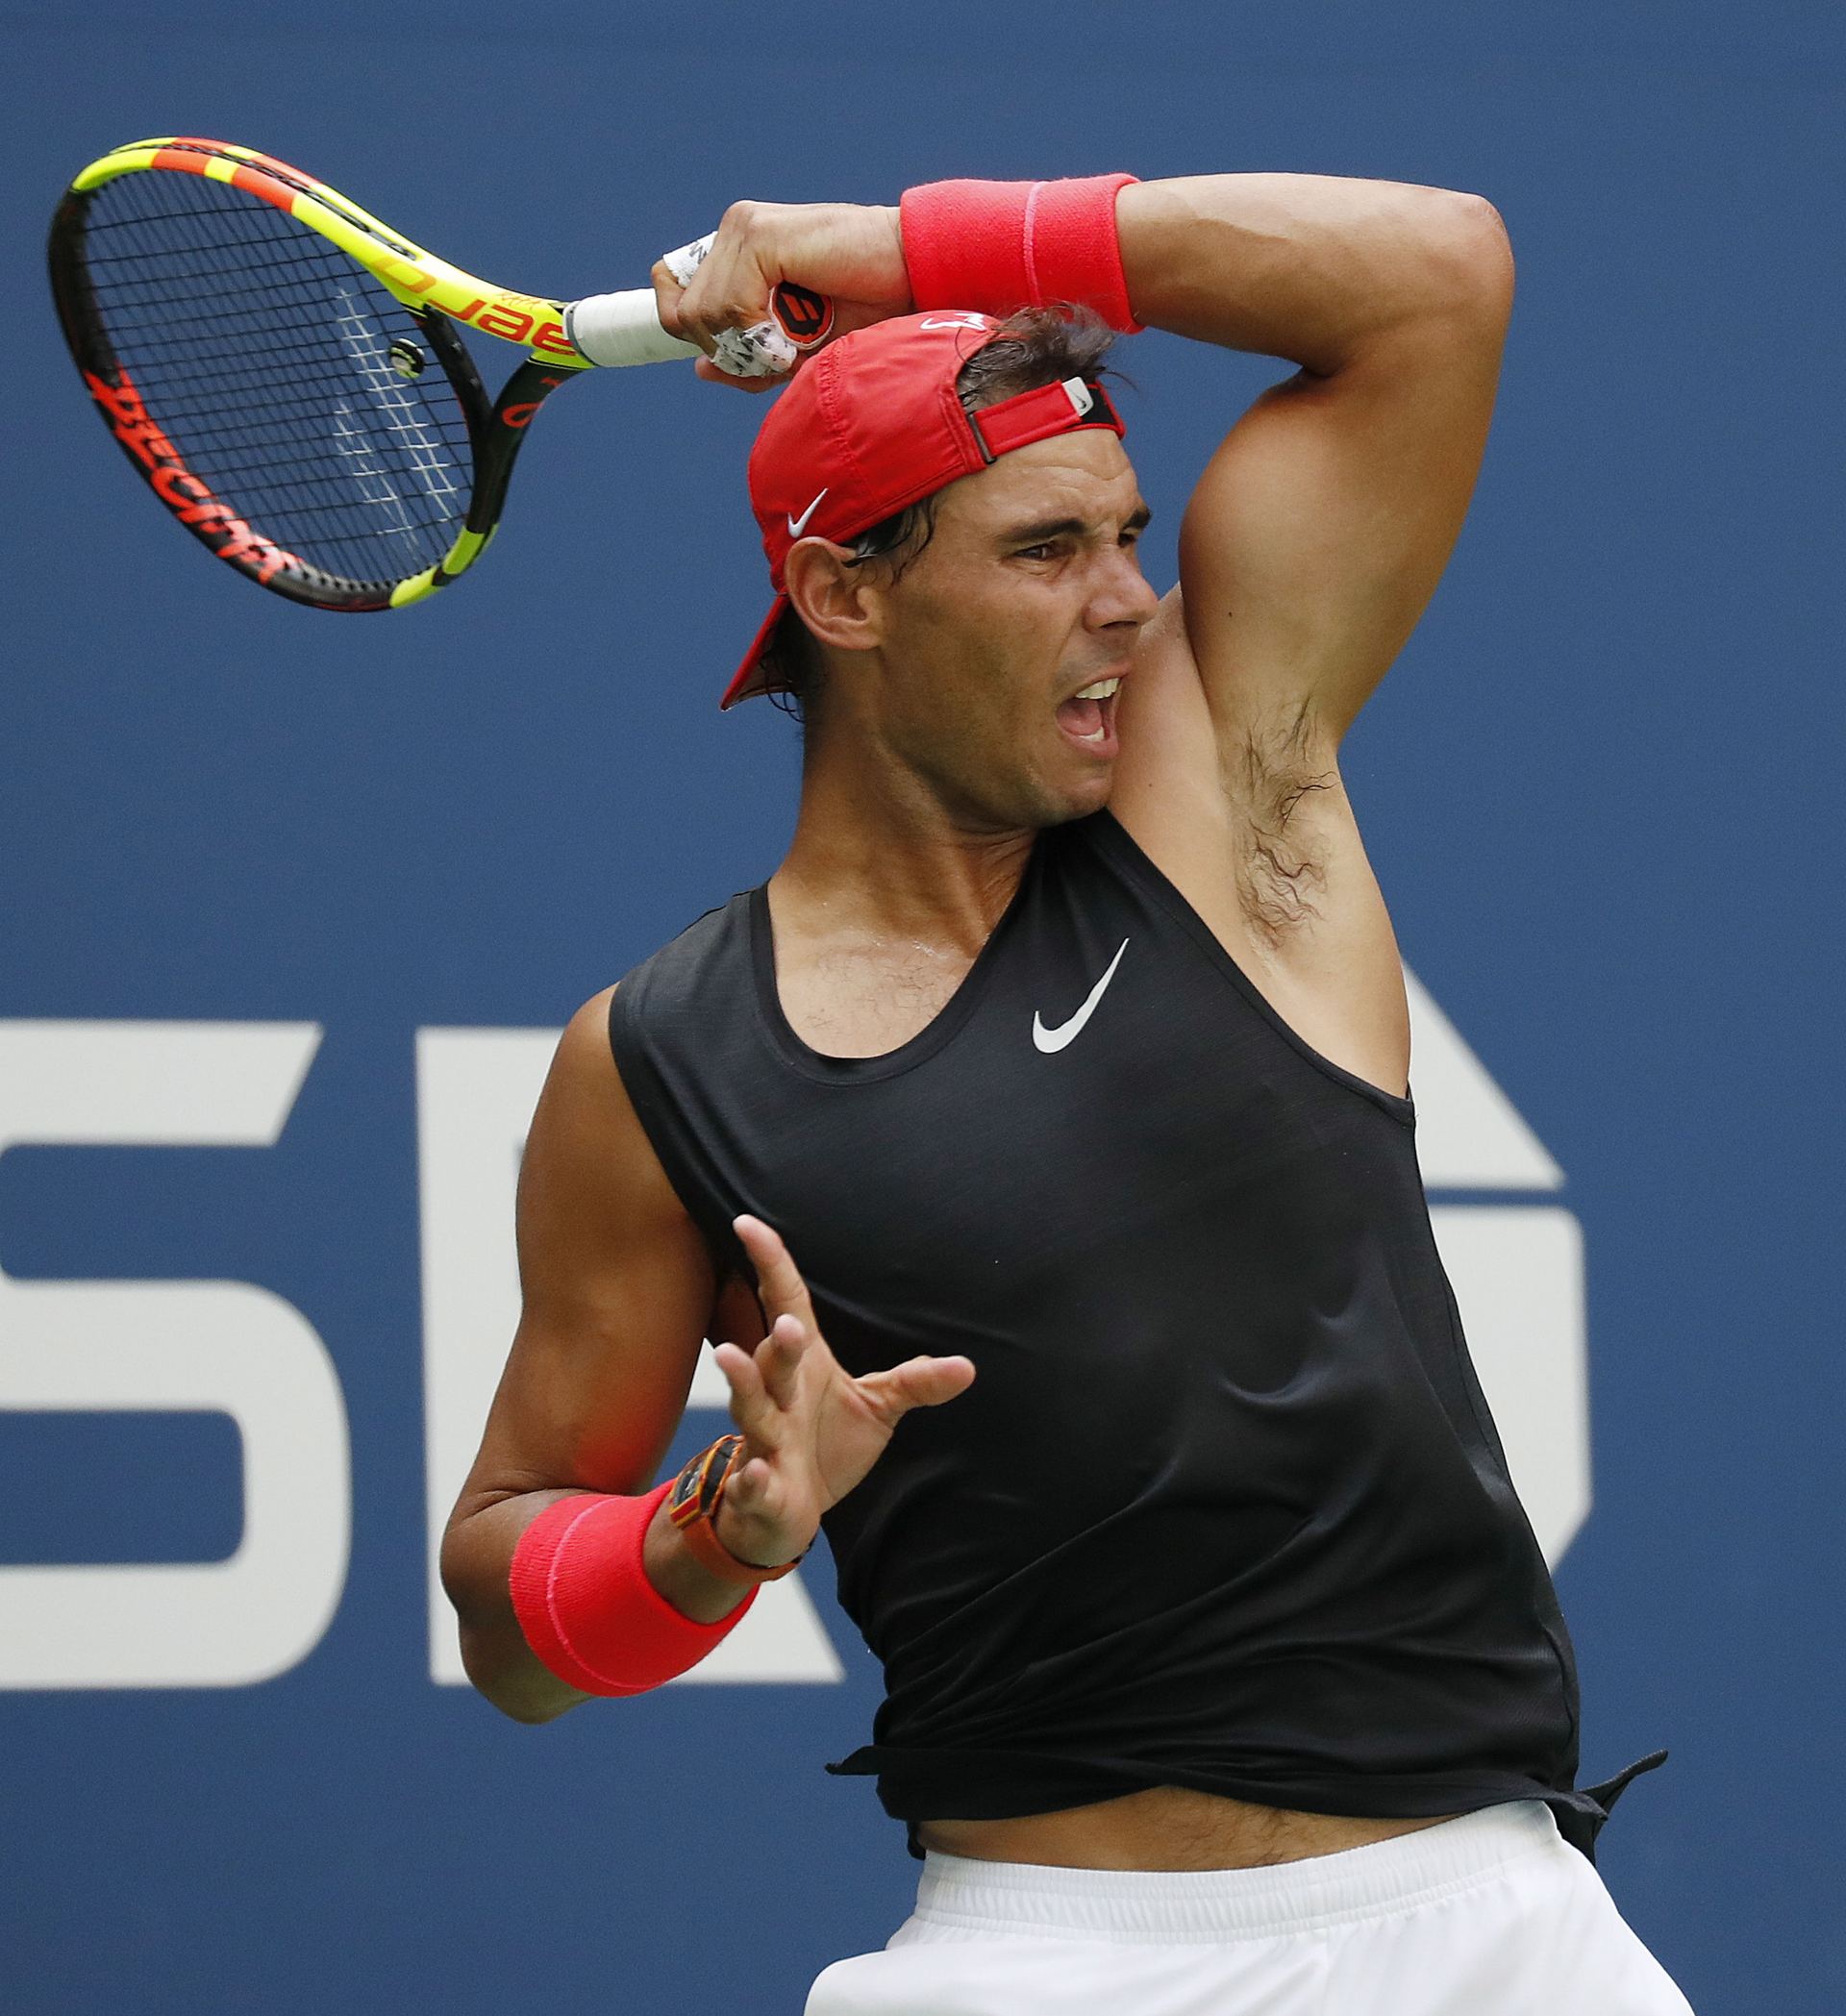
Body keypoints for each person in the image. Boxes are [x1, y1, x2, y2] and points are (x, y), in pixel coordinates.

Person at [442, 172, 1693, 2014]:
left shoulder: (1225, 777)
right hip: (1049, 1960)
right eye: (1044, 551)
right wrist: (711, 1532)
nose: (1127, 600)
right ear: (840, 590)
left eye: (1127, 531)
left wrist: (901, 249)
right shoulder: (657, 1064)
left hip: (1493, 1937)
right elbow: (505, 1599)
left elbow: (1438, 275)